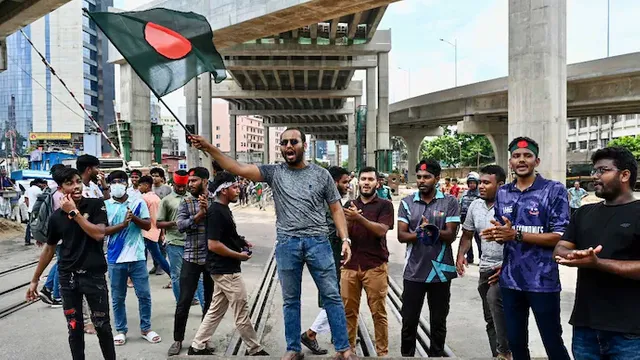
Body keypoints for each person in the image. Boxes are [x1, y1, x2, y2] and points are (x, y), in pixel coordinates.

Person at [190, 128, 356, 360]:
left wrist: (345, 239)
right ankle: (293, 349)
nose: (289, 146)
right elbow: (236, 167)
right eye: (284, 142)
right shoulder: (274, 172)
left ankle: (343, 349)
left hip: (318, 242)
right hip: (287, 244)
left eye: (294, 142)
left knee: (332, 295)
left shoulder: (321, 175)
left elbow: (336, 208)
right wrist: (208, 148)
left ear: (304, 145)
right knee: (290, 300)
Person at [481, 136, 571, 360]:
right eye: (516, 156)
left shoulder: (554, 190)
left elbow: (560, 236)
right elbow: (506, 234)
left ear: (536, 161)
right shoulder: (503, 193)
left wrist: (516, 234)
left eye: (527, 156)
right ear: (510, 162)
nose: (521, 160)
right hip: (511, 281)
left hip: (543, 281)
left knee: (552, 342)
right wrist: (498, 235)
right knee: (516, 343)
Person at [554, 147, 640, 359]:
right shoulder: (584, 213)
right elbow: (560, 247)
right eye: (595, 171)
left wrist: (597, 263)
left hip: (630, 332)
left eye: (603, 170)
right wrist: (573, 255)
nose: (595, 176)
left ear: (625, 175)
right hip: (585, 327)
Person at [26, 167, 116, 360]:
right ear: (61, 189)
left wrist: (74, 213)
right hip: (68, 278)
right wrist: (34, 280)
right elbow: (49, 249)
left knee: (102, 326)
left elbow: (99, 234)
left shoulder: (95, 205)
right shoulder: (56, 218)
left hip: (94, 276)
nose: (76, 186)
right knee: (74, 328)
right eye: (69, 183)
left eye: (77, 181)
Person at [188, 171, 270, 356]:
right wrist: (238, 255)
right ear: (224, 190)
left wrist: (241, 241)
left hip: (223, 269)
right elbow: (213, 244)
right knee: (242, 310)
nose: (238, 189)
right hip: (226, 270)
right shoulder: (217, 212)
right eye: (234, 187)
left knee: (215, 310)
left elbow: (226, 236)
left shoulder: (223, 209)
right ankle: (254, 348)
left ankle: (197, 346)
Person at [397, 159, 460, 357]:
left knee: (439, 321)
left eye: (427, 177)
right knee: (408, 321)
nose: (422, 181)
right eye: (419, 177)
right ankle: (407, 355)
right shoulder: (407, 203)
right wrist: (421, 233)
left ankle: (436, 354)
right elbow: (401, 236)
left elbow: (450, 235)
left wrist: (431, 231)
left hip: (440, 273)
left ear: (437, 178)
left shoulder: (450, 202)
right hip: (413, 272)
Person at [456, 165, 511, 360]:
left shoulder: (511, 205)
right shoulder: (475, 205)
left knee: (502, 315)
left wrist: (508, 267)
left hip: (506, 270)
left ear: (501, 185)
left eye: (486, 183)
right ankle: (498, 355)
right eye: (480, 182)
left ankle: (506, 353)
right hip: (485, 269)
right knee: (491, 320)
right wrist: (461, 254)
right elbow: (467, 234)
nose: (481, 186)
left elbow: (521, 239)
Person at [103, 170, 160, 346]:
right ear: (110, 185)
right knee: (117, 297)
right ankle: (120, 330)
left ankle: (146, 329)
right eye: (114, 182)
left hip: (137, 257)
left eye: (120, 181)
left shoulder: (137, 202)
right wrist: (122, 225)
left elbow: (148, 224)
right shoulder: (105, 205)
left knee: (144, 295)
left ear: (127, 184)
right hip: (115, 258)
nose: (117, 184)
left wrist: (133, 218)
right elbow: (102, 230)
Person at [341, 167, 394, 355]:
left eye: (370, 179)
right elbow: (343, 232)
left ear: (377, 183)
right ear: (359, 181)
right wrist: (349, 221)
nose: (366, 182)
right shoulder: (349, 204)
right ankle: (349, 351)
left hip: (375, 267)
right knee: (348, 313)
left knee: (378, 313)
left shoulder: (385, 205)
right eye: (363, 178)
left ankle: (382, 353)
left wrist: (358, 218)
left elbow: (381, 230)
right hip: (350, 266)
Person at [301, 166, 351, 355]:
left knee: (332, 294)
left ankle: (336, 333)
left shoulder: (319, 197)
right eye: (345, 182)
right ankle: (311, 334)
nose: (348, 185)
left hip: (323, 250)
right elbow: (333, 230)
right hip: (329, 250)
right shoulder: (331, 202)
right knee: (334, 296)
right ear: (334, 182)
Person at [168, 167, 216, 356]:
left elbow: (223, 226)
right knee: (184, 301)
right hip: (191, 257)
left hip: (211, 260)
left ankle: (204, 339)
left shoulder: (216, 200)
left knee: (210, 303)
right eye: (189, 181)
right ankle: (178, 340)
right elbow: (180, 226)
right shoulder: (186, 202)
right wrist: (199, 216)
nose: (190, 184)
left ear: (205, 181)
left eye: (194, 180)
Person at [156, 170, 205, 303]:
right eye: (178, 186)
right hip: (174, 242)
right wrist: (176, 223)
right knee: (177, 275)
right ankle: (181, 303)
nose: (182, 188)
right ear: (173, 184)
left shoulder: (194, 197)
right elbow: (158, 223)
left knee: (198, 275)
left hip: (193, 242)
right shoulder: (167, 201)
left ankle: (203, 306)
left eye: (184, 185)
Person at [76, 154, 108, 334]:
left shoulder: (94, 187)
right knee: (81, 282)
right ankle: (86, 321)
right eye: (97, 168)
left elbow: (106, 202)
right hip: (81, 243)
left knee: (95, 281)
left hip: (96, 241)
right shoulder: (77, 188)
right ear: (89, 169)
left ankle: (96, 317)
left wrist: (104, 185)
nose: (99, 171)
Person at [39, 164, 66, 308]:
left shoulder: (51, 190)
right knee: (61, 264)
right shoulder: (60, 194)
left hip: (54, 234)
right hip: (61, 235)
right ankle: (56, 296)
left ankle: (47, 288)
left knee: (59, 262)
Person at [138, 175, 171, 276]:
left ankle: (172, 274)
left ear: (147, 185)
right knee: (156, 255)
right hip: (155, 230)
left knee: (154, 256)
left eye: (140, 185)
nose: (139, 188)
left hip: (146, 231)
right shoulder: (156, 198)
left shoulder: (143, 198)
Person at [459, 172, 482, 264]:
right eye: (470, 183)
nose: (472, 184)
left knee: (479, 240)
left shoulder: (480, 194)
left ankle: (481, 257)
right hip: (466, 219)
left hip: (477, 219)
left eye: (473, 182)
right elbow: (461, 205)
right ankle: (469, 257)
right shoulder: (465, 193)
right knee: (467, 239)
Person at [24, 179, 48, 245]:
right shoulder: (38, 190)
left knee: (30, 225)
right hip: (37, 210)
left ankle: (27, 239)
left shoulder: (28, 189)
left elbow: (26, 199)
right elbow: (43, 198)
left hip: (30, 210)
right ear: (38, 183)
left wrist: (28, 206)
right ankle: (39, 238)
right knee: (39, 224)